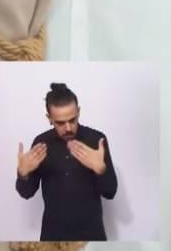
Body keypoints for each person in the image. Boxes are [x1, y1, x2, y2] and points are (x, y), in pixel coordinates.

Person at [15, 82, 118, 241]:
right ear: (49, 119)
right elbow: (26, 193)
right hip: (52, 237)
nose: (68, 128)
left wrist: (101, 170)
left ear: (79, 112)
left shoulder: (96, 140)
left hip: (92, 235)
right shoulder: (41, 143)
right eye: (60, 123)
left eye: (72, 120)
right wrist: (22, 173)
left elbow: (110, 192)